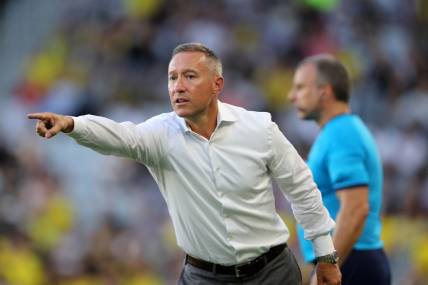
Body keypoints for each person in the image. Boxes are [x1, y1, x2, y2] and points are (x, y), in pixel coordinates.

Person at [28, 43, 341, 285]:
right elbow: (120, 136)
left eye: (190, 76)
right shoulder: (160, 135)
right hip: (205, 277)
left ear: (218, 85)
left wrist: (325, 254)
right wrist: (72, 124)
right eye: (172, 77)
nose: (178, 86)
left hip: (272, 272)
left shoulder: (260, 129)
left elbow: (301, 188)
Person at [289, 54, 391, 285]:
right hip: (352, 260)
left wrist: (327, 264)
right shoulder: (338, 131)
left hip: (352, 263)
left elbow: (356, 209)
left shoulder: (341, 133)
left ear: (325, 91)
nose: (292, 96)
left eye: (301, 87)